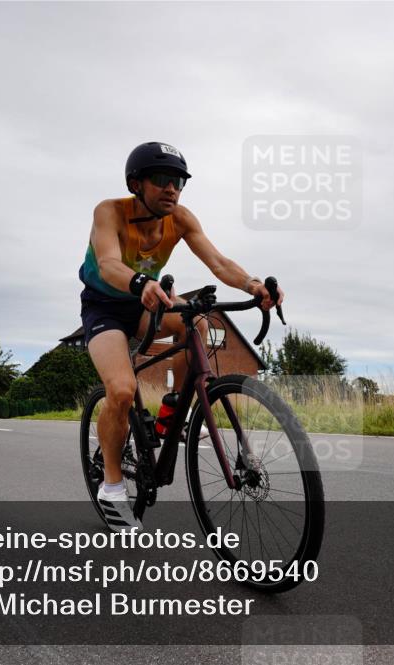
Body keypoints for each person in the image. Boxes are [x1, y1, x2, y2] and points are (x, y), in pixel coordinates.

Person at [79, 141, 283, 532]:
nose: (171, 188)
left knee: (198, 323)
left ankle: (172, 411)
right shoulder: (110, 212)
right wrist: (140, 282)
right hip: (105, 307)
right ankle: (112, 487)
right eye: (161, 179)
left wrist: (253, 284)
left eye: (178, 182)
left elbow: (218, 262)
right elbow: (107, 263)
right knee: (121, 390)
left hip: (148, 302)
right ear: (136, 184)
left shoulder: (181, 219)